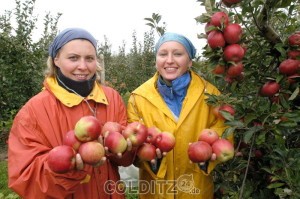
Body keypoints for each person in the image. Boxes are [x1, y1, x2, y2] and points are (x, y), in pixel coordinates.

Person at [8, 28, 134, 199]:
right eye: (73, 58)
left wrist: (120, 149)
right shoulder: (33, 112)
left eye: (89, 58)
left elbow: (125, 159)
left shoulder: (112, 98)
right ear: (56, 60)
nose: (82, 66)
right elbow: (25, 178)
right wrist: (65, 169)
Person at [127, 32, 232, 198]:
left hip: (195, 190)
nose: (169, 60)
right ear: (156, 61)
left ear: (189, 61)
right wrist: (152, 161)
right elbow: (131, 147)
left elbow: (224, 129)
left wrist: (208, 157)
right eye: (162, 54)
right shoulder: (138, 98)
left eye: (177, 54)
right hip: (156, 191)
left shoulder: (210, 95)